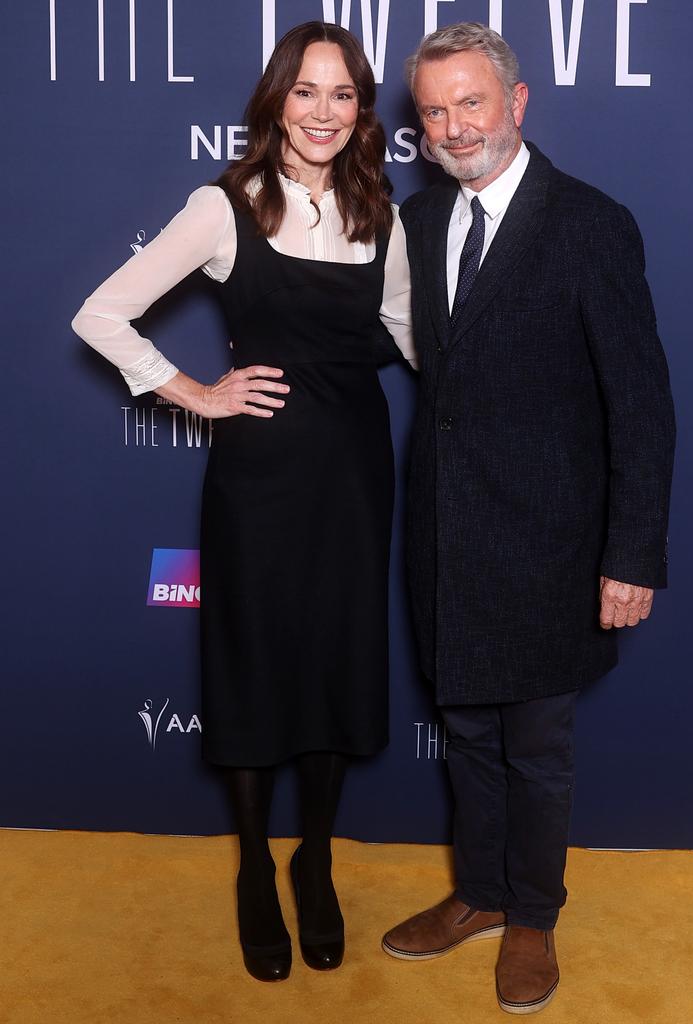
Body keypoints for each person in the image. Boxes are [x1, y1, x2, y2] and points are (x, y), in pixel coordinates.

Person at [72, 21, 413, 983]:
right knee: (256, 662)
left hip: (353, 477)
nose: (322, 111)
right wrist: (194, 390)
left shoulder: (381, 215)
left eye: (342, 94)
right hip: (257, 482)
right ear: (275, 101)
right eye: (304, 92)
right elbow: (100, 312)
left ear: (362, 110)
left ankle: (316, 861)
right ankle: (257, 867)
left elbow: (409, 335)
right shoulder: (225, 207)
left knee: (340, 660)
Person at [381, 23, 675, 1015]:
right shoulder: (420, 222)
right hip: (447, 532)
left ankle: (534, 915)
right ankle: (481, 890)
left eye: (471, 102)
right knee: (465, 732)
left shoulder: (590, 223)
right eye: (433, 110)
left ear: (517, 102)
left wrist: (630, 553)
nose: (453, 125)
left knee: (535, 746)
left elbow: (640, 402)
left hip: (552, 541)